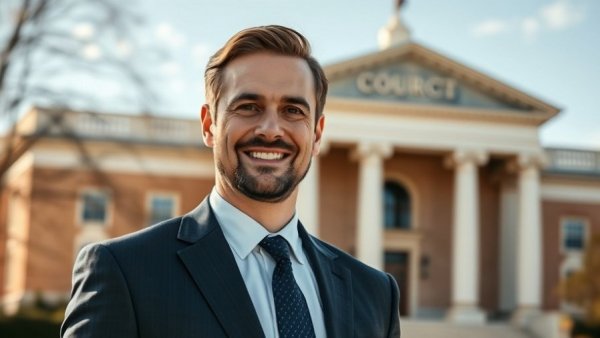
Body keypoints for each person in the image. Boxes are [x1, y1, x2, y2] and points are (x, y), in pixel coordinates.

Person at [61, 25, 400, 338]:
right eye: (249, 106)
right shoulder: (125, 272)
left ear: (317, 134)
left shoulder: (375, 294)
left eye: (293, 111)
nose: (270, 129)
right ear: (209, 125)